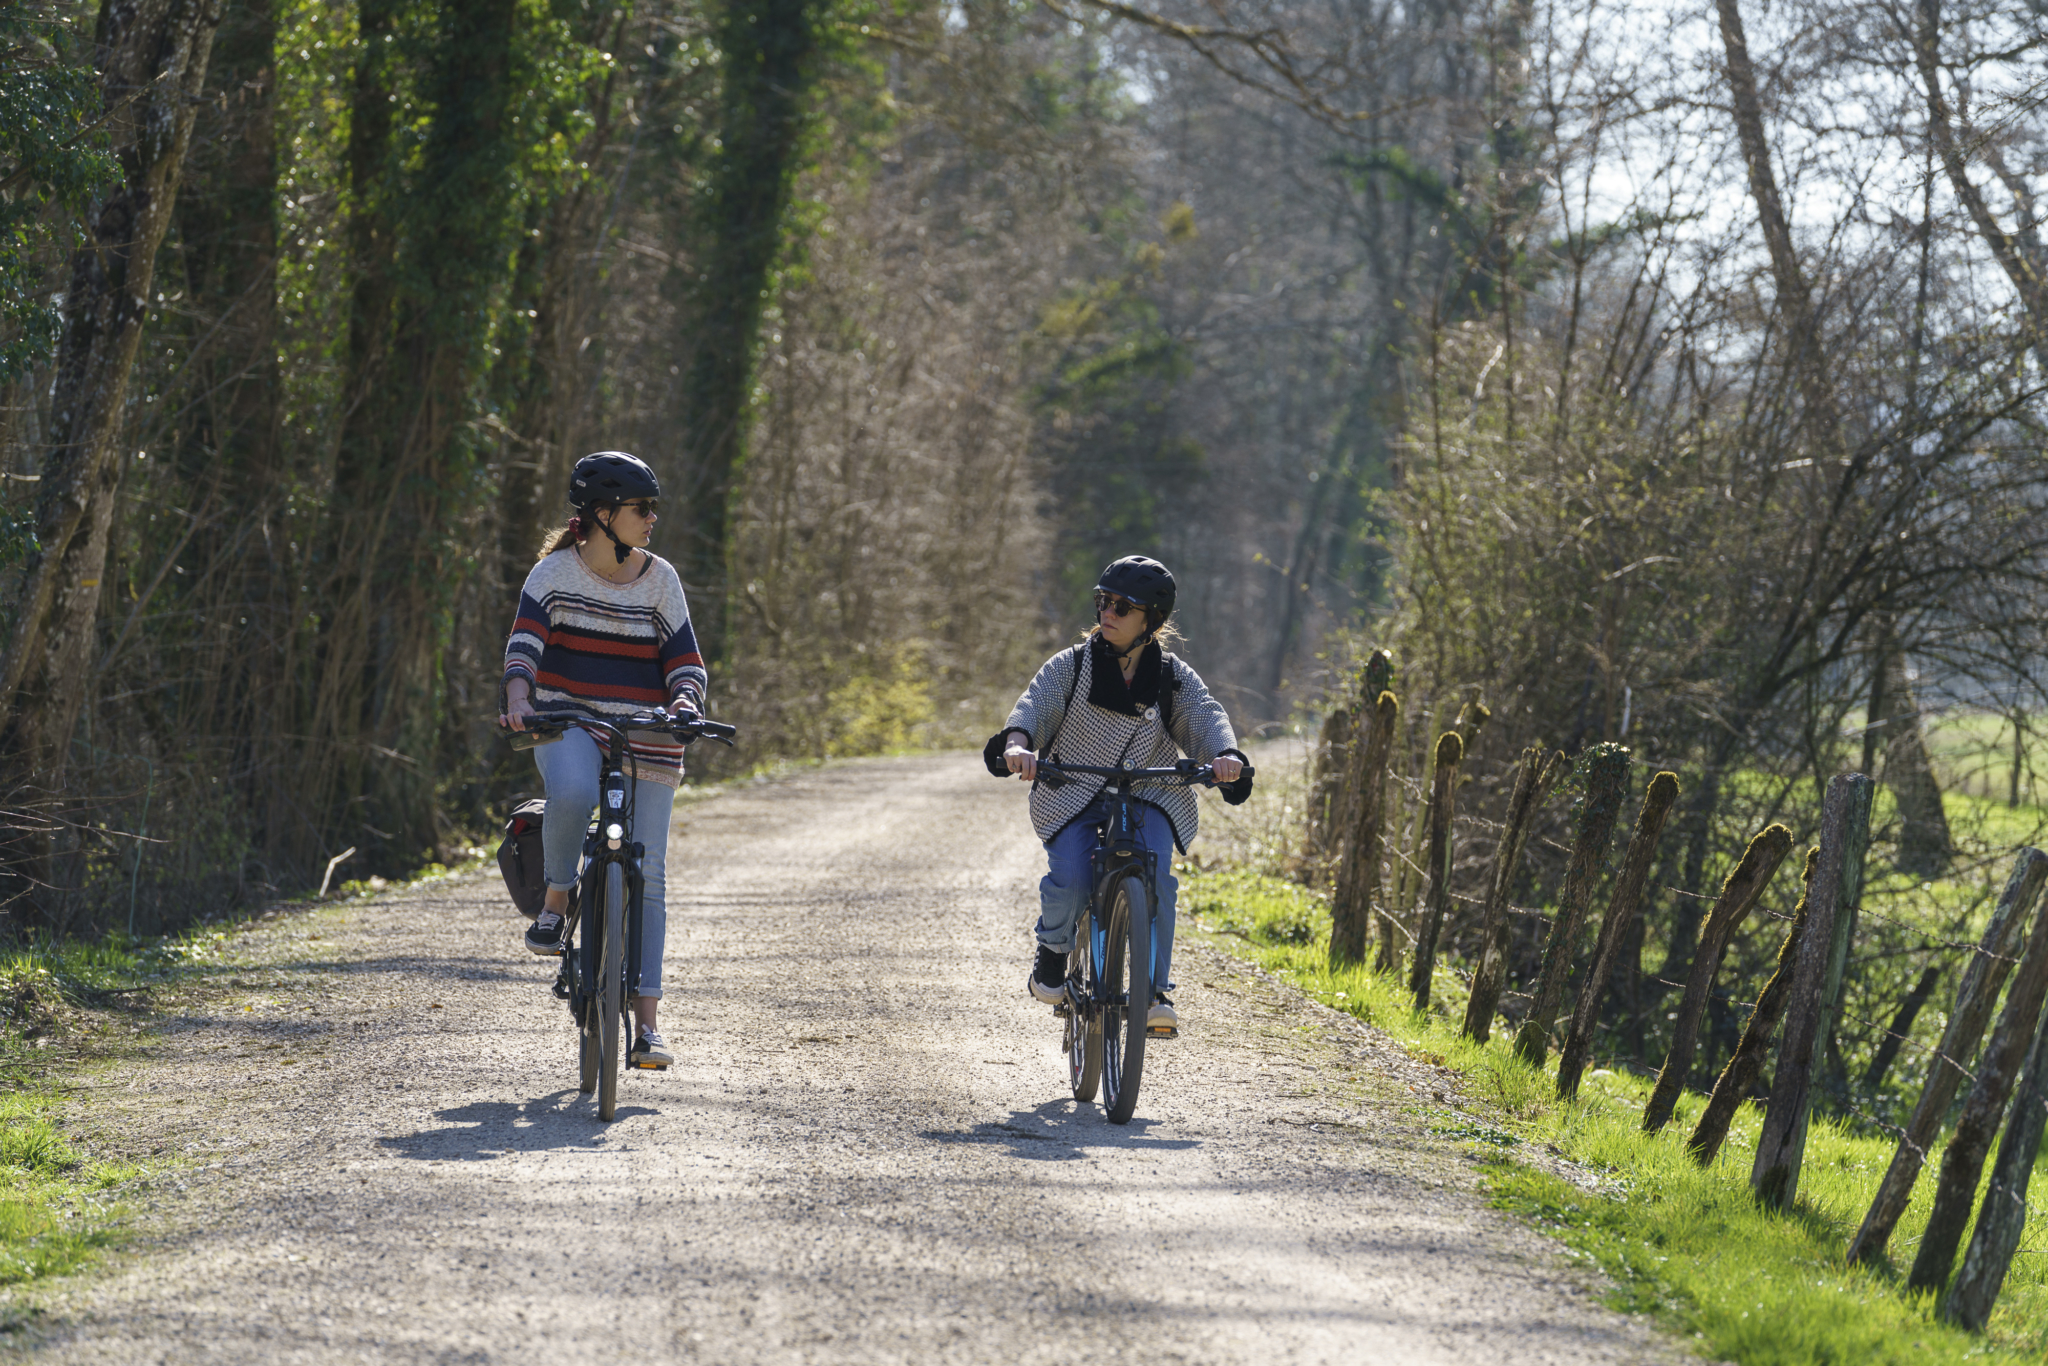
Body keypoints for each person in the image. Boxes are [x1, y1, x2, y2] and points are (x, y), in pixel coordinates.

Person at [985, 555, 1251, 1038]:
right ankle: (1054, 951)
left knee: (1157, 876)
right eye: (1103, 601)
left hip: (1150, 791)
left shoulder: (1172, 676)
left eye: (1123, 606)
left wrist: (1225, 755)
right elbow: (1034, 705)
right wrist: (1018, 744)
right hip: (1073, 789)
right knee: (1071, 874)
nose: (1108, 611)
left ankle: (1152, 992)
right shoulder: (1071, 665)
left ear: (1151, 620)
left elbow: (1206, 718)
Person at [499, 451, 706, 1070]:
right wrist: (518, 698)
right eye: (642, 510)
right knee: (571, 793)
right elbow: (524, 649)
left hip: (650, 731)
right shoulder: (553, 574)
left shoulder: (661, 578)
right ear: (603, 514)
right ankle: (557, 900)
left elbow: (685, 664)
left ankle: (647, 1025)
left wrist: (687, 704)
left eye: (653, 509)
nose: (651, 520)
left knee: (651, 873)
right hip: (570, 721)